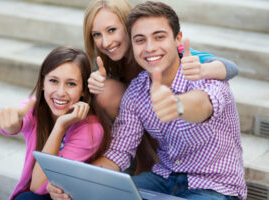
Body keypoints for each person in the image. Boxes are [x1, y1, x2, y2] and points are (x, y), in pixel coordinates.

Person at [96, 1, 245, 199]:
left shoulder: (206, 73)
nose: (150, 48)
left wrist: (177, 105)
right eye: (140, 40)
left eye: (159, 37)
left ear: (177, 39)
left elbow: (203, 104)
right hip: (163, 178)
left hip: (215, 185)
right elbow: (119, 152)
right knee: (106, 194)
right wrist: (77, 178)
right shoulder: (136, 91)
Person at [0, 47, 110, 200]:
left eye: (71, 84)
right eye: (53, 81)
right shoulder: (36, 108)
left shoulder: (90, 129)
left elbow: (37, 185)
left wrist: (60, 126)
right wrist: (10, 123)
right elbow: (17, 123)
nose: (60, 92)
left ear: (83, 90)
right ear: (42, 83)